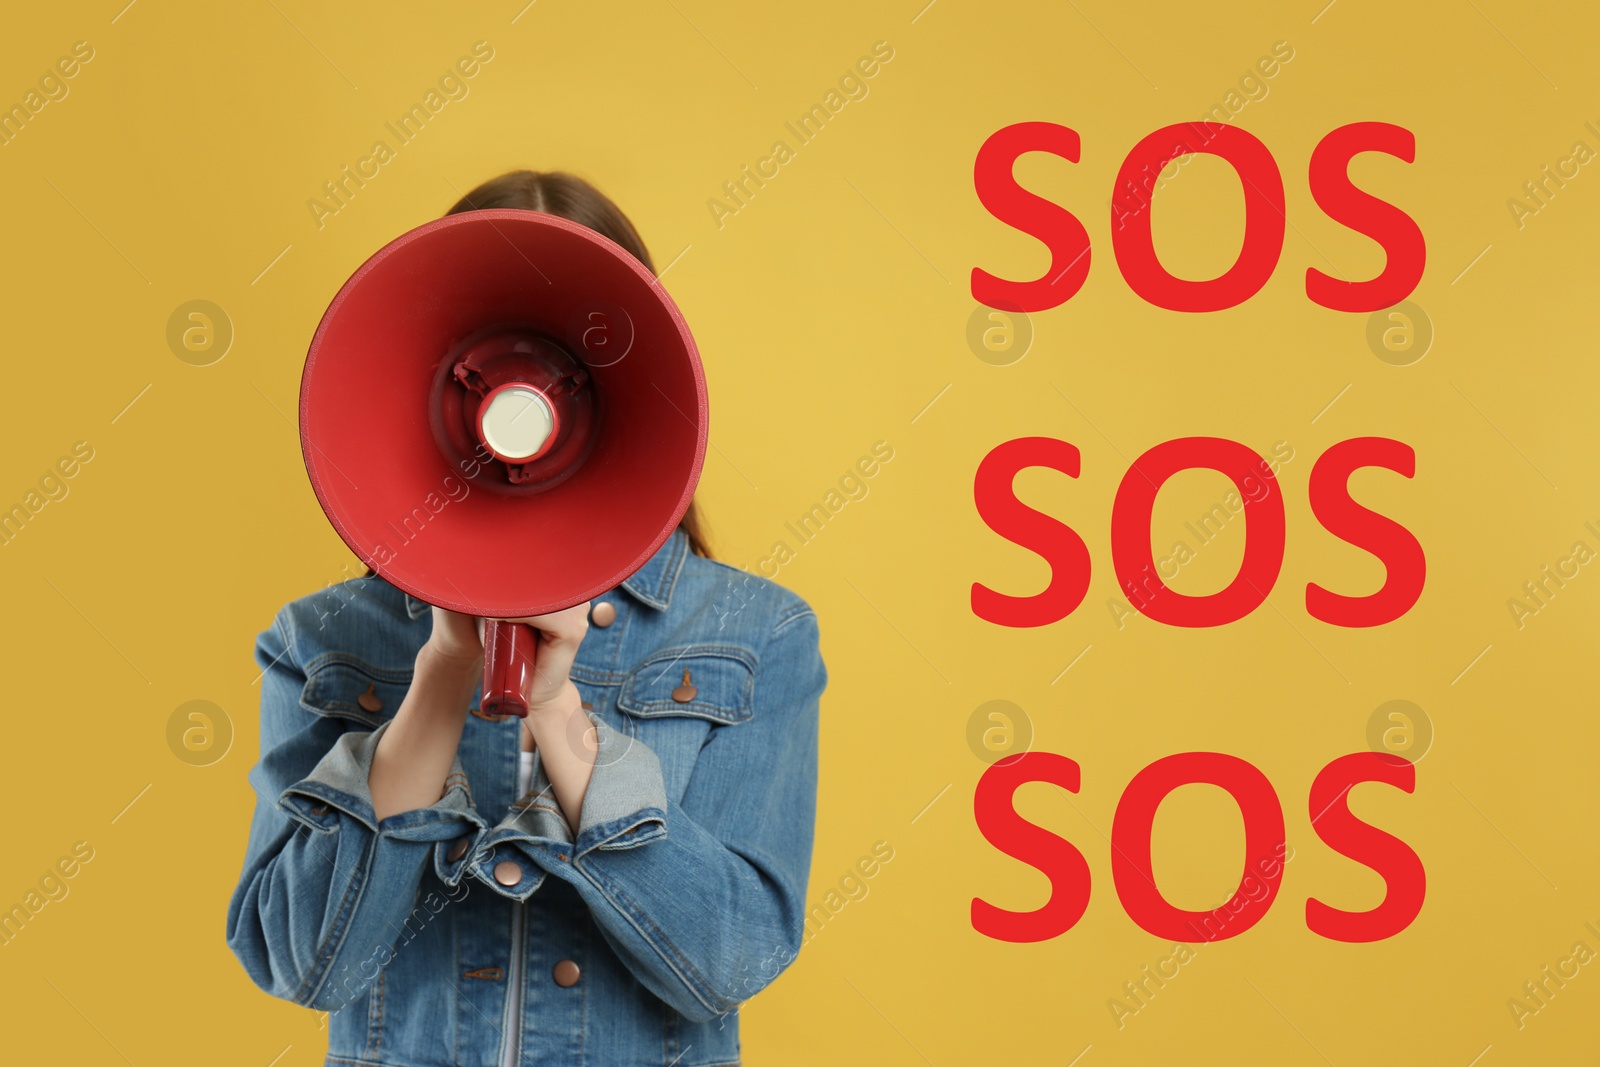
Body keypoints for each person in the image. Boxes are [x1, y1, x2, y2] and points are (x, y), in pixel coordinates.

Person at [226, 170, 827, 1067]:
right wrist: (439, 680)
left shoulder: (756, 632)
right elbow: (302, 962)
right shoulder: (323, 640)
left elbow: (728, 961)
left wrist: (562, 721)